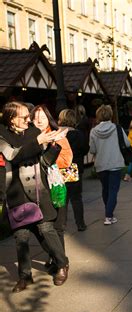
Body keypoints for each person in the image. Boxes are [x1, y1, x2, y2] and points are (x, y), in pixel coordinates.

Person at [0, 101, 70, 292]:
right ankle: (25, 276)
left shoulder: (32, 132)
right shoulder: (2, 136)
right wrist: (38, 142)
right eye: (25, 117)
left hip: (39, 190)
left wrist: (54, 145)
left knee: (47, 229)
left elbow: (45, 161)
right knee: (21, 236)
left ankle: (62, 263)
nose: (29, 119)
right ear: (12, 118)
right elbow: (13, 156)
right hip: (15, 191)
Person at [31, 105, 73, 262]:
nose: (39, 121)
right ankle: (55, 256)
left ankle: (61, 263)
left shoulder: (58, 136)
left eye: (42, 117)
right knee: (41, 227)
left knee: (58, 226)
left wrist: (47, 156)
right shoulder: (30, 138)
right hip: (37, 188)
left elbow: (66, 160)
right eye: (35, 118)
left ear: (48, 118)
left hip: (56, 186)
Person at [89, 105, 130, 225]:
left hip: (101, 164)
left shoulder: (93, 131)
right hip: (115, 163)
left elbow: (92, 149)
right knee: (113, 190)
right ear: (110, 115)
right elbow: (127, 143)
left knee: (105, 189)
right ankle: (109, 215)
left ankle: (108, 210)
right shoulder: (117, 128)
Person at [58, 109, 89, 232]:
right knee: (76, 198)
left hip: (59, 168)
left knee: (62, 198)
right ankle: (80, 224)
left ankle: (61, 224)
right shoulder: (79, 134)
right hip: (73, 167)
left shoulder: (57, 134)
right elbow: (85, 149)